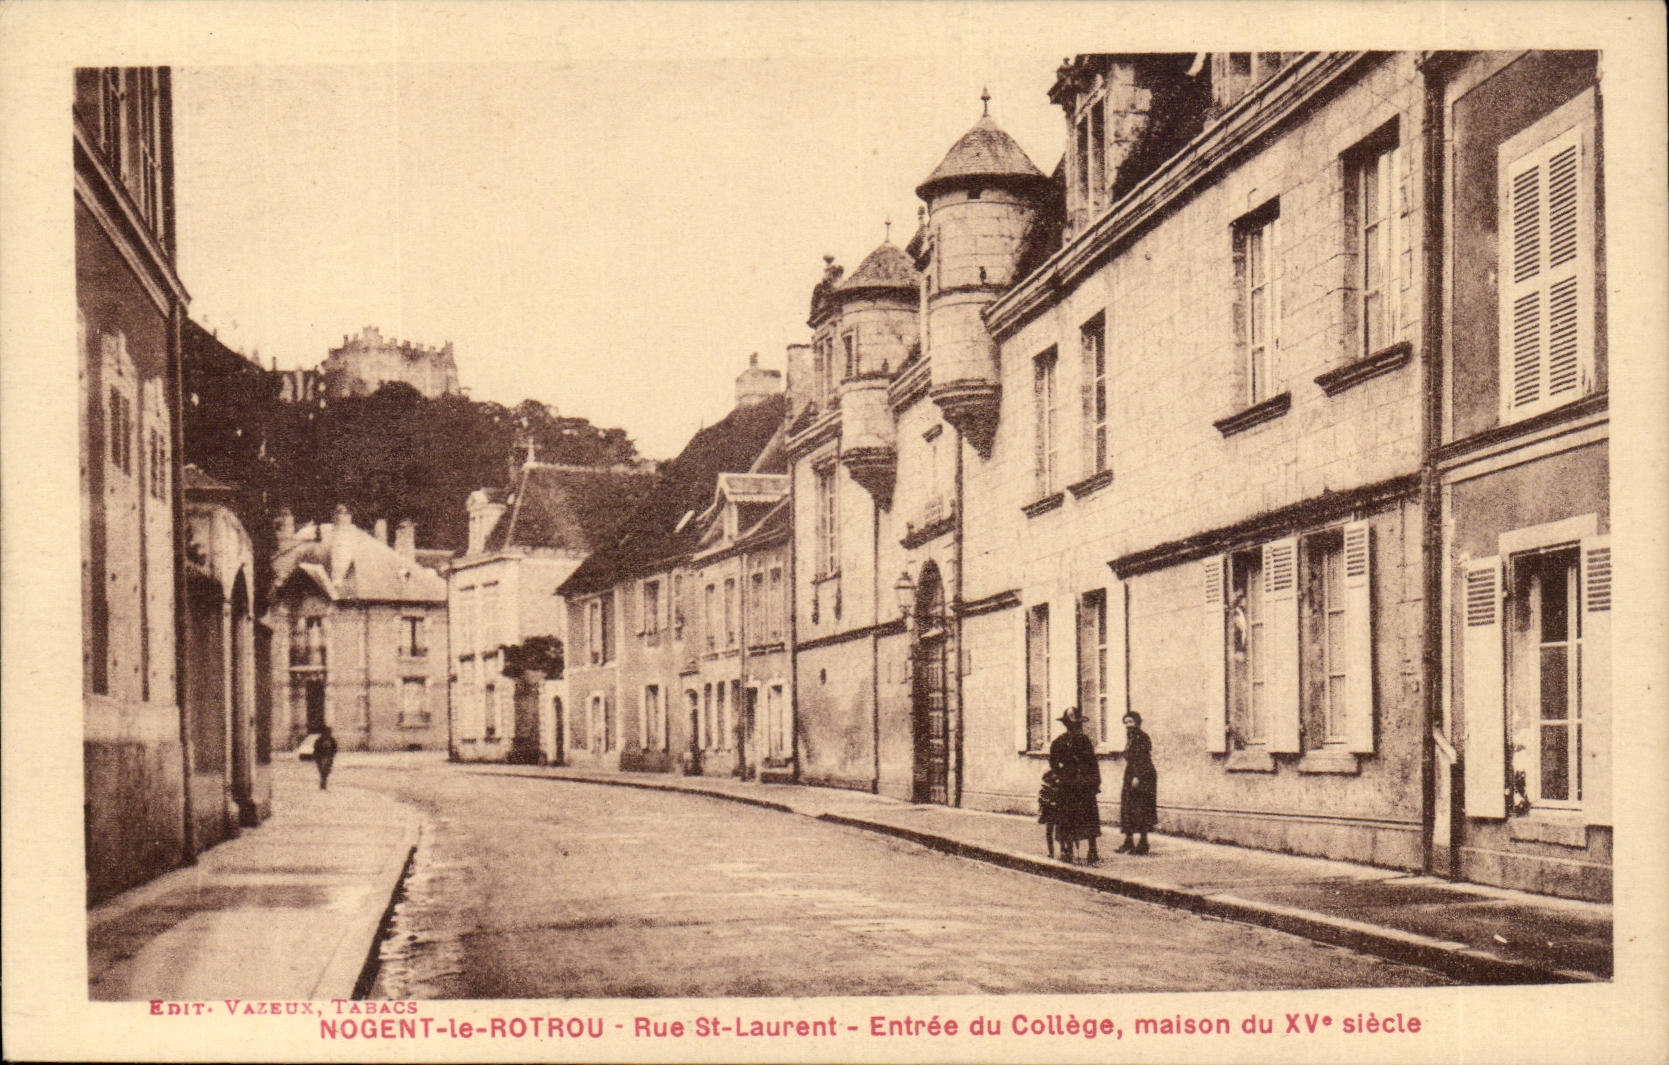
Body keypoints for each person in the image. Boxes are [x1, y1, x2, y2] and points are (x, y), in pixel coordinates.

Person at [1047, 707, 1101, 863]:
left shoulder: (1085, 741)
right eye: (1070, 725)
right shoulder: (1059, 742)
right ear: (1065, 725)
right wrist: (1061, 774)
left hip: (1084, 785)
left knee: (1089, 817)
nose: (1074, 728)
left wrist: (1094, 782)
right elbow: (1053, 763)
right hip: (1068, 786)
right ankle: (1068, 849)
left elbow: (1092, 763)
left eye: (1077, 725)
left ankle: (1092, 849)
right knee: (1067, 817)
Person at [1116, 712, 1157, 854]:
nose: (1128, 725)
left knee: (1141, 808)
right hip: (1131, 774)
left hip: (1143, 776)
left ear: (1137, 722)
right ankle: (1128, 841)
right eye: (1126, 722)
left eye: (1131, 722)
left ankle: (1143, 843)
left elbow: (1143, 758)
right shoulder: (1131, 737)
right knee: (1128, 807)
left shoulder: (1142, 737)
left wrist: (1137, 777)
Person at [313, 726, 338, 790]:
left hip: (328, 757)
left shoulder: (331, 739)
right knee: (322, 771)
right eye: (327, 732)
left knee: (326, 771)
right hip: (321, 757)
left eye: (329, 732)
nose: (328, 733)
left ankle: (323, 783)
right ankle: (323, 784)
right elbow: (316, 748)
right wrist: (317, 757)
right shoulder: (320, 739)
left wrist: (332, 755)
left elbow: (335, 748)